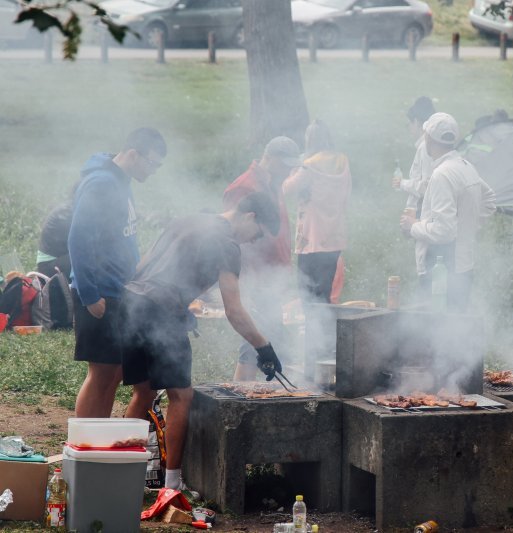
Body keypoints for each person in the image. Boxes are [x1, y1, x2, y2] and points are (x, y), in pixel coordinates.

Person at [121, 192, 283, 491]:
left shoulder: (191, 219)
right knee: (181, 396)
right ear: (251, 217)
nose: (253, 241)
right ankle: (172, 484)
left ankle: (117, 473)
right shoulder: (227, 244)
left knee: (143, 394)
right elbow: (234, 311)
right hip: (162, 311)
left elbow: (147, 262)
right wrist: (264, 347)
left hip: (131, 303)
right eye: (258, 234)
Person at [68, 127, 166, 418]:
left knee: (113, 372)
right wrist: (89, 294)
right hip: (100, 293)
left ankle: (100, 436)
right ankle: (86, 441)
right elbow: (78, 238)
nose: (154, 171)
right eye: (153, 163)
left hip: (118, 290)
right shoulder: (102, 183)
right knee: (101, 373)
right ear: (133, 154)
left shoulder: (121, 180)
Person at [223, 136, 302, 381]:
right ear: (270, 157)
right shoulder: (244, 186)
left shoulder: (274, 182)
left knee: (272, 337)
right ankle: (239, 398)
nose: (289, 171)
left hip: (271, 277)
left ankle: (256, 395)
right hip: (255, 277)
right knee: (253, 344)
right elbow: (235, 238)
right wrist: (251, 282)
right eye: (285, 164)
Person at [400, 112, 496, 311]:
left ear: (427, 138)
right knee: (455, 333)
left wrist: (413, 227)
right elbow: (489, 201)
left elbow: (444, 231)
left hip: (441, 270)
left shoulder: (441, 175)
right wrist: (466, 228)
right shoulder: (465, 166)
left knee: (434, 334)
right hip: (463, 267)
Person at [283, 120, 351, 305]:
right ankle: (327, 331)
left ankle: (314, 333)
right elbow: (347, 193)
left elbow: (287, 188)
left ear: (310, 140)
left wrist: (293, 171)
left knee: (308, 294)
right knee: (325, 293)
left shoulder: (308, 165)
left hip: (311, 237)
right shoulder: (342, 161)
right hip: (334, 235)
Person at [394, 96, 436, 215]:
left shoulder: (425, 147)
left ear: (417, 122)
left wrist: (402, 183)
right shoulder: (431, 144)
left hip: (423, 211)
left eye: (409, 124)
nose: (409, 128)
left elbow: (426, 187)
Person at [36, 183, 79, 279]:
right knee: (86, 258)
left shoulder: (72, 208)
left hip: (59, 259)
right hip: (48, 266)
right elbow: (82, 242)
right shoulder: (67, 212)